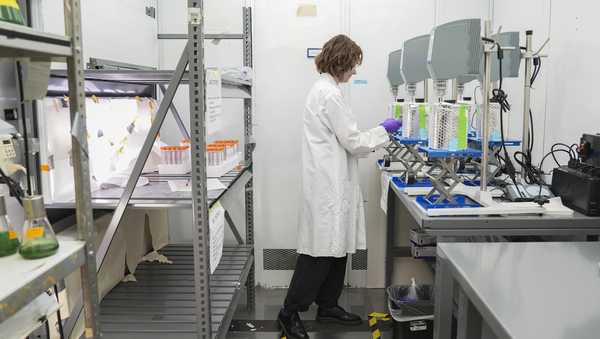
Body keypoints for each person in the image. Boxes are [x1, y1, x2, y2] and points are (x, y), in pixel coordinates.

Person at [277, 34, 402, 339]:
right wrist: (384, 132)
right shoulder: (328, 94)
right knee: (319, 253)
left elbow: (345, 140)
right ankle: (288, 313)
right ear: (342, 62)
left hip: (334, 182)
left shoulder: (328, 90)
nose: (355, 72)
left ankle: (328, 305)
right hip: (326, 186)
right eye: (354, 65)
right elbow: (354, 141)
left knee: (338, 248)